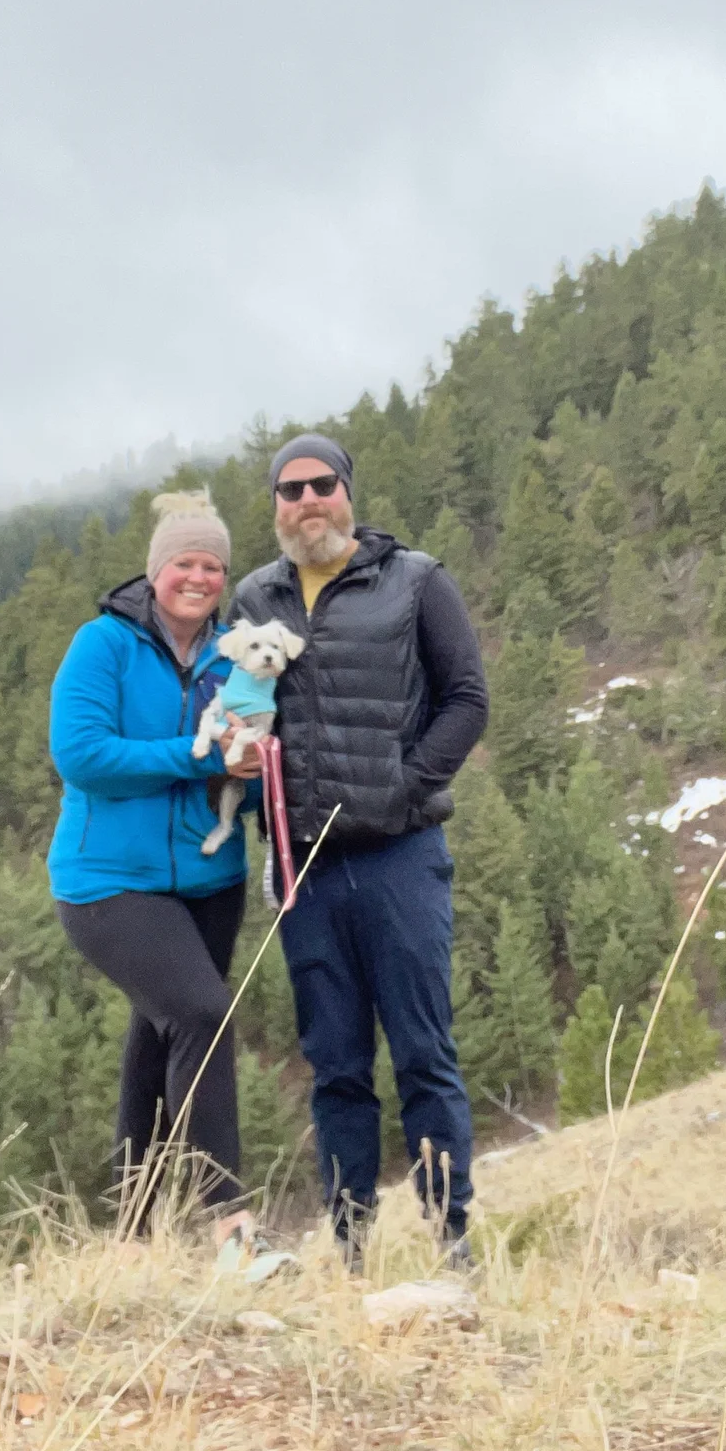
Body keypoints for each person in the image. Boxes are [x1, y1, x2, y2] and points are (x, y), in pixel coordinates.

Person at [230, 433, 489, 1263]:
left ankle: (450, 1237)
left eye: (322, 485)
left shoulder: (416, 581)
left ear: (348, 491)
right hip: (304, 869)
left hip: (400, 858)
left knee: (423, 1051)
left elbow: (467, 699)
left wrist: (406, 789)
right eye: (290, 489)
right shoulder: (254, 599)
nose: (308, 501)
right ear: (275, 505)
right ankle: (350, 1246)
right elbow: (242, 708)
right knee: (335, 1065)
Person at [47, 490, 261, 1241]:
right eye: (184, 564)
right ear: (154, 571)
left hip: (212, 882)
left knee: (160, 1040)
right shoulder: (102, 644)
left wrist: (252, 767)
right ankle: (228, 1223)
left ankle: (133, 1235)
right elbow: (82, 756)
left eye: (212, 566)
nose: (198, 578)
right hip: (107, 883)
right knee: (202, 1013)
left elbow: (246, 765)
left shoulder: (234, 654)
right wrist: (197, 755)